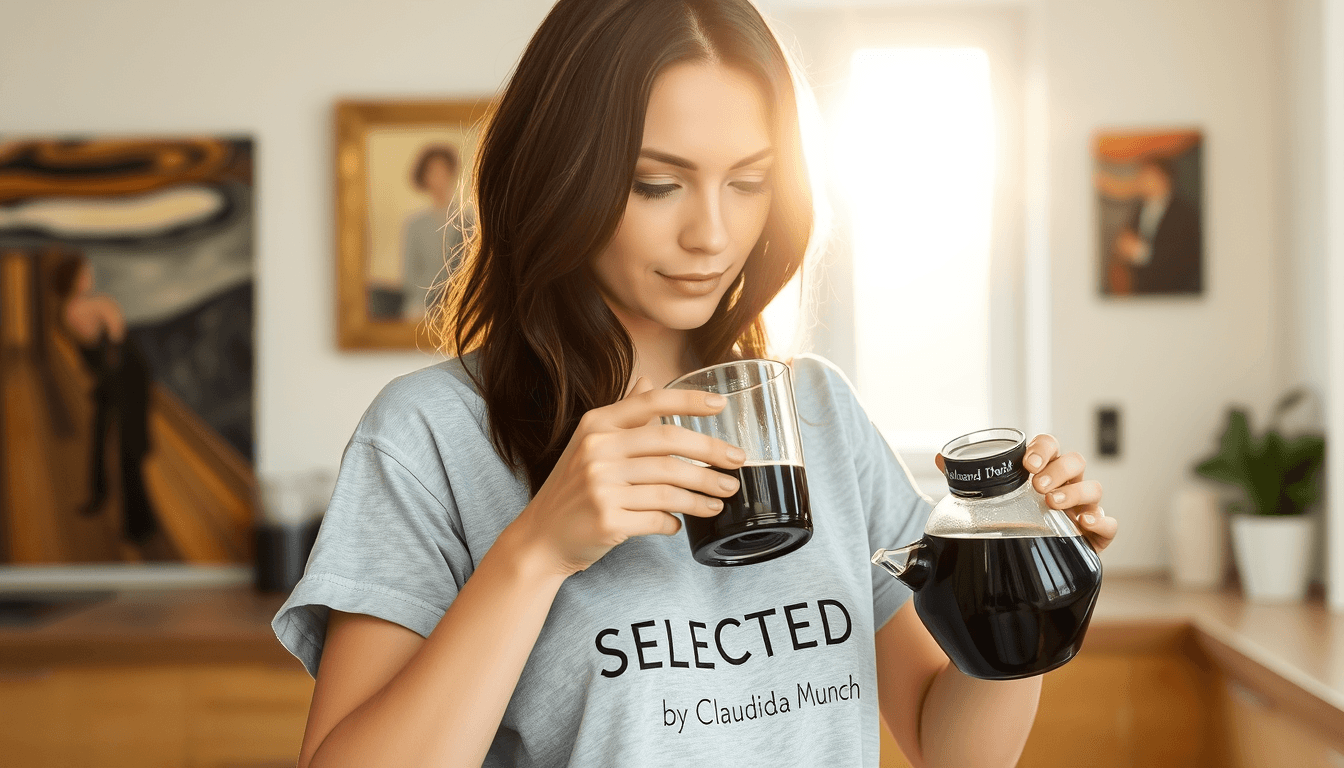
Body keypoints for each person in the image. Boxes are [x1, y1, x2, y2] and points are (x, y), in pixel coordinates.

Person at [272, 2, 1118, 766]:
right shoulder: (432, 437)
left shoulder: (818, 412)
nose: (713, 234)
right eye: (657, 184)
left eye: (748, 183)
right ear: (561, 172)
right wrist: (534, 554)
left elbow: (952, 749)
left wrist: (1017, 580)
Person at [52, 254, 158, 543]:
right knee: (129, 448)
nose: (89, 276)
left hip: (112, 379)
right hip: (126, 378)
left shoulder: (64, 311)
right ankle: (138, 525)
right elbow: (117, 340)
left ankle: (100, 497)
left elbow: (93, 354)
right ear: (74, 278)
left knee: (103, 438)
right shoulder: (97, 304)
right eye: (84, 272)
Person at [1108, 156, 1202, 295]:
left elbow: (1182, 258)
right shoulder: (1139, 208)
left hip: (1175, 295)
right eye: (1141, 175)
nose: (1141, 180)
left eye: (1147, 176)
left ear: (1164, 179)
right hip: (1141, 293)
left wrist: (1140, 252)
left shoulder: (1184, 213)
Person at [400, 144, 472, 320]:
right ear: (424, 178)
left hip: (460, 303)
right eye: (433, 172)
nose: (439, 177)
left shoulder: (468, 220)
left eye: (443, 171)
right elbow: (409, 275)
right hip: (422, 306)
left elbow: (472, 268)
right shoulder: (415, 224)